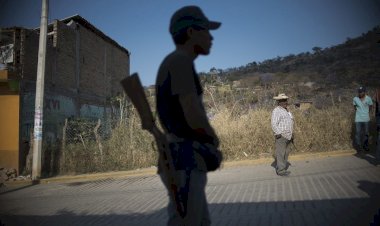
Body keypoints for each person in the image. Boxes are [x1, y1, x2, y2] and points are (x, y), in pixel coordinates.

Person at [155, 5, 221, 226]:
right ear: (191, 32)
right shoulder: (180, 61)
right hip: (185, 157)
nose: (211, 37)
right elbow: (192, 111)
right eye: (206, 30)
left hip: (182, 157)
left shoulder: (176, 62)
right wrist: (213, 140)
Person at [271, 93, 294, 176]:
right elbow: (273, 123)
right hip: (281, 136)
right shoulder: (277, 110)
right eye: (283, 100)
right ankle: (281, 170)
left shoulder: (287, 111)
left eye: (285, 100)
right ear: (279, 102)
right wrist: (279, 133)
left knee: (286, 153)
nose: (285, 102)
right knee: (281, 153)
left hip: (288, 136)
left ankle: (282, 167)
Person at [353, 86, 373, 152]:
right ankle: (359, 147)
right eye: (359, 92)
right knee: (357, 133)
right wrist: (360, 112)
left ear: (364, 92)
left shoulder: (368, 98)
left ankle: (365, 146)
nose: (360, 93)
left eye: (361, 92)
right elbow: (355, 107)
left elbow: (370, 106)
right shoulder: (355, 99)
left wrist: (366, 112)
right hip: (358, 119)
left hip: (366, 119)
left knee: (366, 133)